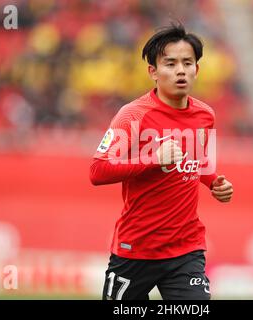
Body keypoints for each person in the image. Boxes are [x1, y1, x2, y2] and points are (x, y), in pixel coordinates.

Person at [89, 23, 233, 300]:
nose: (180, 70)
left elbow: (200, 161)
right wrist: (153, 158)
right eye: (170, 63)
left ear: (197, 70)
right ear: (153, 72)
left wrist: (215, 182)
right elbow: (97, 170)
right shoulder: (132, 115)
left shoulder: (206, 115)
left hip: (186, 250)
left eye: (187, 63)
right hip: (135, 249)